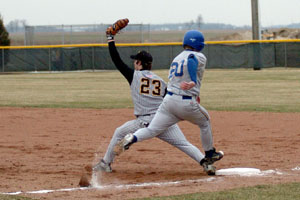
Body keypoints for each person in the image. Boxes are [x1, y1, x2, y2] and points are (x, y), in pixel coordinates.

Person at [93, 25, 207, 174]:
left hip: (144, 122)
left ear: (139, 63)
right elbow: (172, 97)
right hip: (164, 119)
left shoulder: (133, 76)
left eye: (136, 61)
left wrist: (110, 39)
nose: (134, 63)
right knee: (184, 144)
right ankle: (205, 163)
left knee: (119, 132)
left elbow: (117, 60)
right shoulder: (160, 80)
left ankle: (105, 164)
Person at [116, 30, 224, 175]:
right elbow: (191, 60)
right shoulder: (198, 56)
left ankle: (132, 137)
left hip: (168, 102)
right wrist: (192, 81)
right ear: (198, 44)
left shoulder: (177, 57)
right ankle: (210, 154)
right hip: (185, 102)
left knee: (151, 130)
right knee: (205, 122)